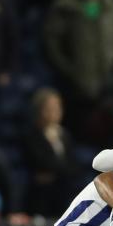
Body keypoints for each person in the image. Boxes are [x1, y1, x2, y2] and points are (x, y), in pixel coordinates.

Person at [21, 88, 76, 218]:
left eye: (58, 107)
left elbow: (73, 165)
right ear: (39, 110)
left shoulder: (65, 135)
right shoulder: (31, 135)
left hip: (63, 191)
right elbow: (41, 163)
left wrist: (55, 172)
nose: (55, 111)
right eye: (49, 108)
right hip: (41, 197)